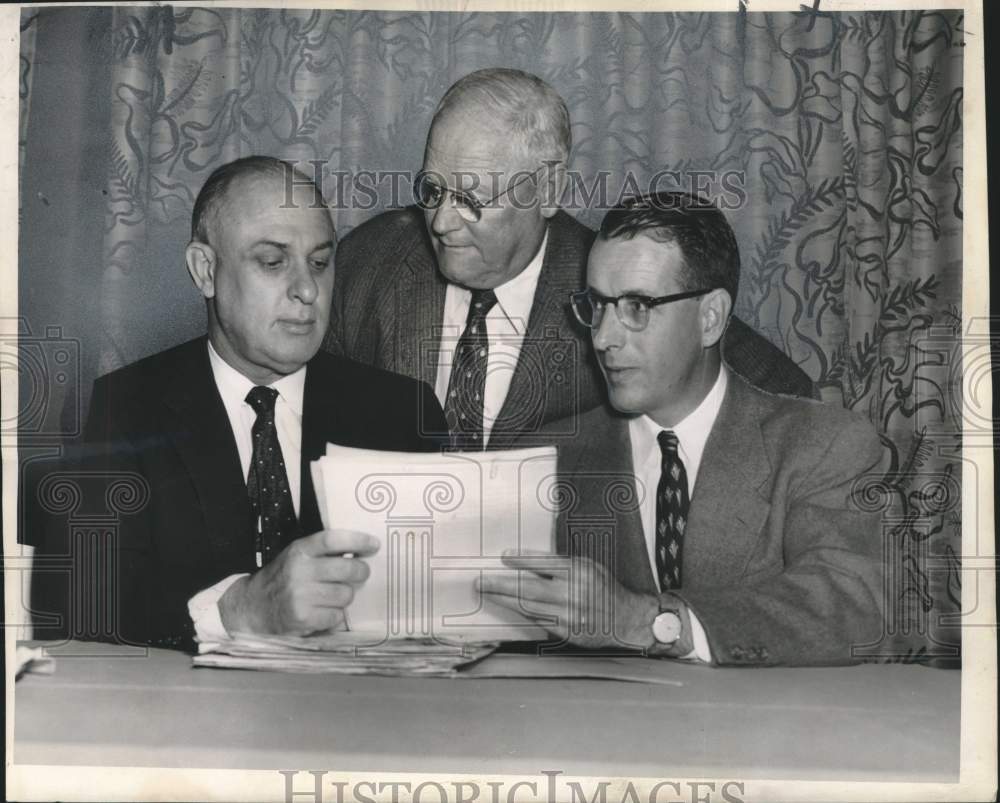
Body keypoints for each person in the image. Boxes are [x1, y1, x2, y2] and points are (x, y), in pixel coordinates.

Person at [29, 156, 447, 651]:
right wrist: (235, 611)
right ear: (205, 270)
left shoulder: (402, 412)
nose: (307, 290)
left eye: (319, 262)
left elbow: (444, 608)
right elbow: (74, 607)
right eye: (272, 262)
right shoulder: (118, 409)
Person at [478, 192, 887, 667]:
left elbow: (851, 609)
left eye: (637, 306)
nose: (604, 338)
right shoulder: (538, 458)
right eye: (597, 305)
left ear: (710, 318)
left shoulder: (823, 443)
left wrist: (645, 622)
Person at [325, 68, 815, 450]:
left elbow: (784, 393)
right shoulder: (374, 258)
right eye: (433, 190)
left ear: (547, 191)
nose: (440, 222)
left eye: (472, 199)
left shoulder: (613, 283)